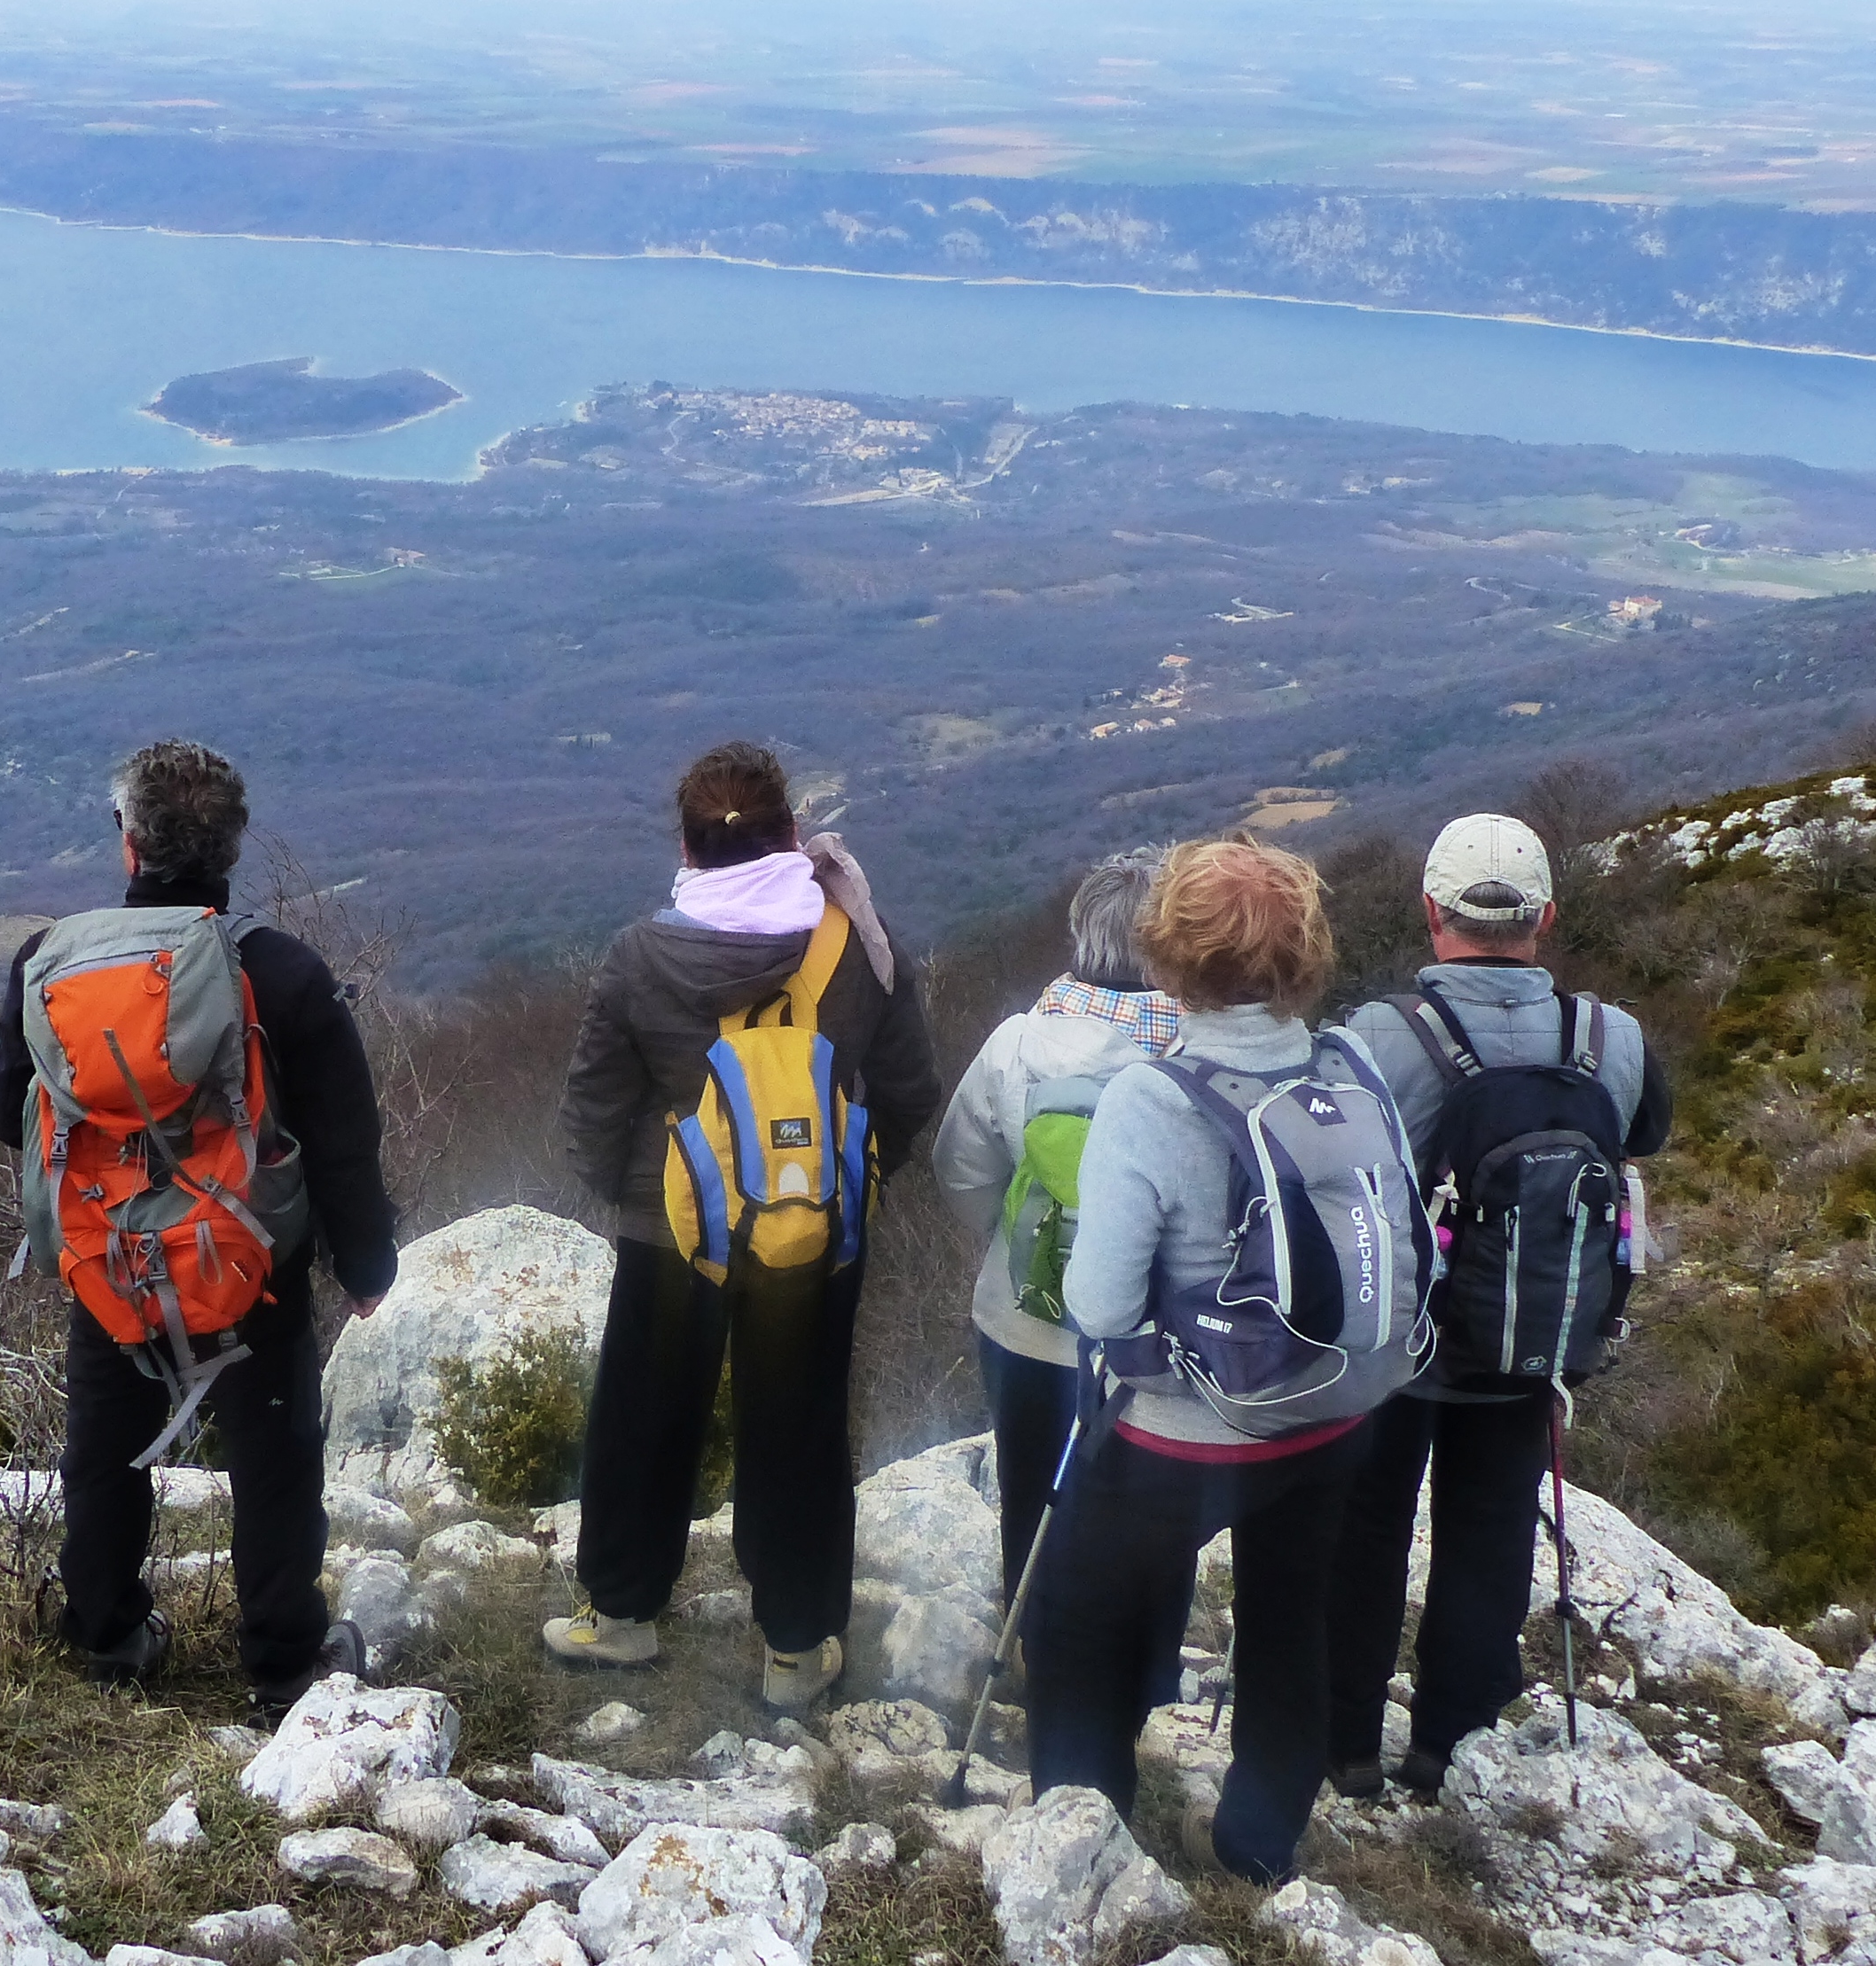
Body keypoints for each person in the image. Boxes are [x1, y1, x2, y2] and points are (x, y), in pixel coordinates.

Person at [0, 737, 398, 1710]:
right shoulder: (282, 973)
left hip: (111, 1256)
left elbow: (7, 1115)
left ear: (127, 844)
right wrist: (365, 1264)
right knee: (274, 1457)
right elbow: (343, 1143)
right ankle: (286, 1659)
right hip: (250, 1261)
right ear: (234, 848)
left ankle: (105, 1634)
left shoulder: (49, 964)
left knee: (104, 1446)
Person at [551, 741, 942, 1710]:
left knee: (646, 1412)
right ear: (792, 833)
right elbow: (910, 1089)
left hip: (671, 1228)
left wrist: (626, 1192)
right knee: (800, 1423)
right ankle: (798, 1648)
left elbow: (594, 1107)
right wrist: (853, 1177)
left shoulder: (645, 955)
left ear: (687, 846)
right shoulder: (855, 939)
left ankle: (624, 1615)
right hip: (813, 1227)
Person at [1025, 835, 1374, 1883]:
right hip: (1329, 1414)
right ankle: (1256, 1848)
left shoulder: (1152, 1096)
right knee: (1289, 1622)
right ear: (1304, 956)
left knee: (1076, 1619)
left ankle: (1087, 1850)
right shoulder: (1350, 1065)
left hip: (1182, 1432)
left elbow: (1096, 1300)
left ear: (1170, 952)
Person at [1324, 813, 1672, 1797]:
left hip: (1395, 1345)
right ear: (1546, 918)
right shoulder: (1613, 1037)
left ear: (1432, 914)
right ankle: (1451, 1744)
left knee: (1366, 1532)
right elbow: (1645, 1133)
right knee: (1490, 1537)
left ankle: (1345, 1743)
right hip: (1534, 1335)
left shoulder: (1379, 1039)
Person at [932, 851, 1176, 1606]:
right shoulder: (1193, 1054)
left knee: (1030, 1490)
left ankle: (1031, 1646)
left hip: (1024, 1321)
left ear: (1079, 935)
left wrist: (1013, 1246)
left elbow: (960, 1169)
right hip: (1154, 1338)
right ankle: (1132, 1679)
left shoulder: (1017, 1044)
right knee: (1144, 1509)